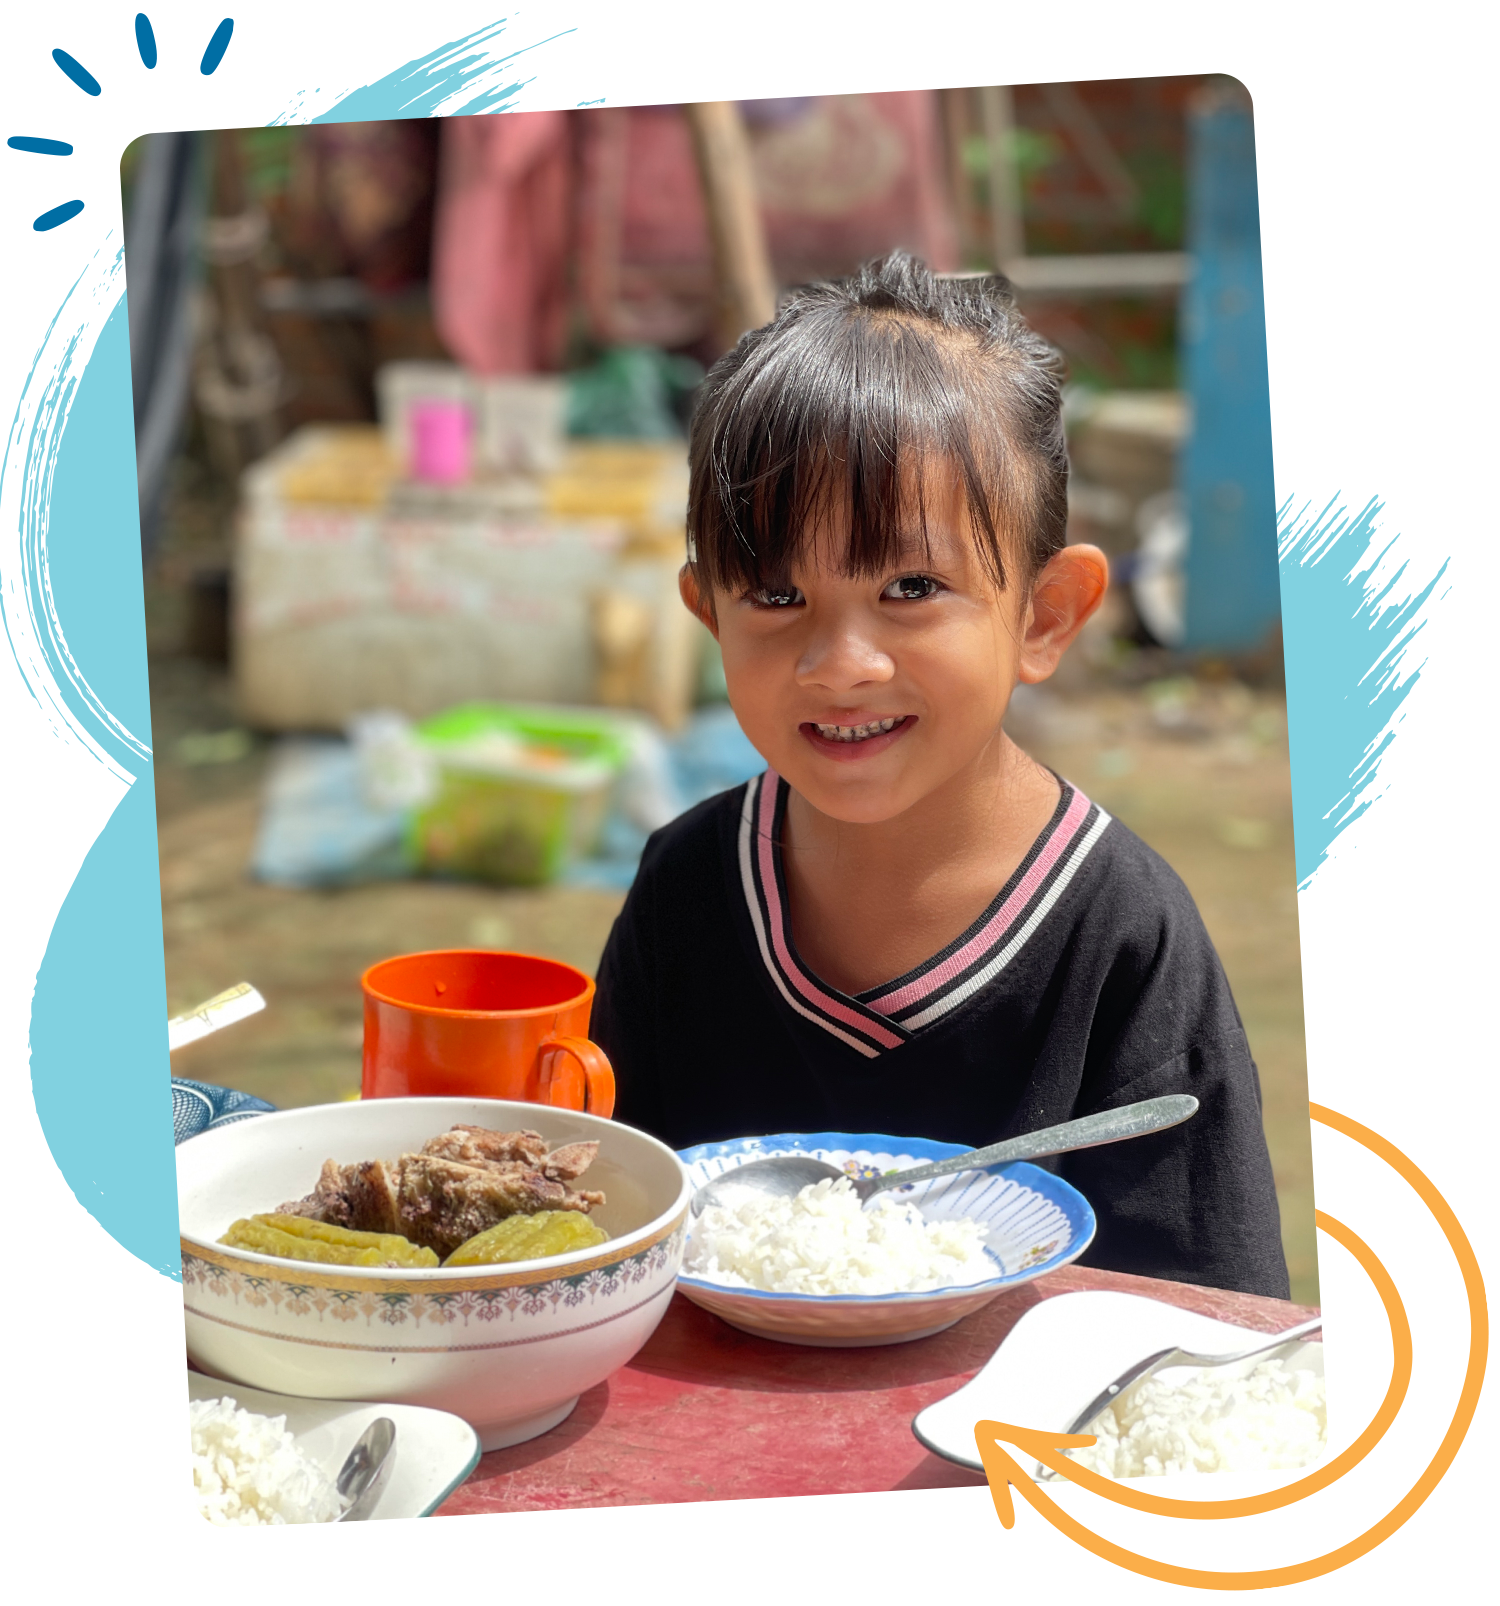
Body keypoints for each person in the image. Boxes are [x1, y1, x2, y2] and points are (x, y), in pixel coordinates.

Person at [591, 251, 1289, 1300]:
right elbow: (606, 1233)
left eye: (911, 586)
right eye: (776, 598)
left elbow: (1208, 1320)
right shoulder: (687, 884)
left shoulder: (1123, 935)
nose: (841, 663)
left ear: (1045, 616)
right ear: (709, 615)